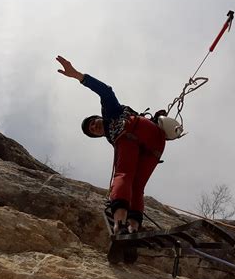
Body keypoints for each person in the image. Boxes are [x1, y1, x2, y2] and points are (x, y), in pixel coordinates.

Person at [56, 55, 166, 235]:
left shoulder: (110, 112)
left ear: (99, 117)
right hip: (155, 143)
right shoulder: (115, 141)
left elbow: (106, 91)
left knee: (122, 175)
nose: (94, 126)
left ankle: (119, 225)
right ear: (96, 135)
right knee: (137, 187)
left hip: (134, 130)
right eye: (92, 130)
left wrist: (78, 75)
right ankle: (133, 229)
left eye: (93, 122)